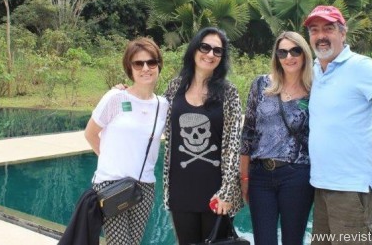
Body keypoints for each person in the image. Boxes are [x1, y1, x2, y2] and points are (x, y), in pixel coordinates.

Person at [304, 5, 372, 245]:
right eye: (314, 30)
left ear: (343, 34)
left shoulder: (359, 66)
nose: (321, 35)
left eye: (328, 28)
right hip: (322, 185)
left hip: (351, 189)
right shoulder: (315, 69)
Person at [162, 27, 244, 244]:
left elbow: (233, 145)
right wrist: (124, 94)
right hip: (180, 190)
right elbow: (153, 118)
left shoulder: (229, 93)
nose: (210, 54)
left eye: (217, 51)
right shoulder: (175, 88)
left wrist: (227, 192)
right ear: (194, 49)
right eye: (205, 47)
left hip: (215, 194)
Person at [84, 37, 169, 245]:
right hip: (111, 184)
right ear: (129, 68)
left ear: (158, 65)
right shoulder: (116, 97)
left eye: (151, 62)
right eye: (138, 63)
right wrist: (110, 162)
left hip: (145, 186)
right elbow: (90, 133)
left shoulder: (163, 105)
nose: (146, 68)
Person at [240, 31, 315, 245]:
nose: (289, 57)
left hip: (297, 174)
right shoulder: (261, 85)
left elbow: (331, 128)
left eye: (295, 50)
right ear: (276, 56)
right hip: (260, 176)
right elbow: (248, 133)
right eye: (282, 52)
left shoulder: (315, 90)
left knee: (293, 240)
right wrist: (244, 178)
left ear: (304, 54)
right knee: (264, 241)